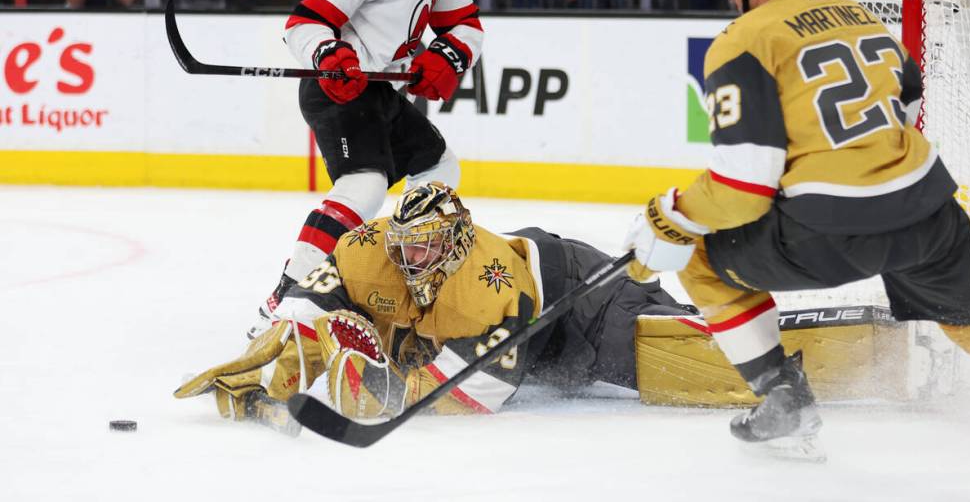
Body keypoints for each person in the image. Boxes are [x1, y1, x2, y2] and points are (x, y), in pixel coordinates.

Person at [623, 0, 970, 453]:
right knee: (968, 320)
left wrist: (670, 215)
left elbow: (745, 189)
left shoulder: (743, 38)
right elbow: (907, 102)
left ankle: (782, 397)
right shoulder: (860, 16)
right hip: (930, 212)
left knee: (701, 263)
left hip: (833, 230)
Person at [176, 182, 695, 426]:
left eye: (424, 247)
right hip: (527, 340)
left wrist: (388, 390)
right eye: (404, 245)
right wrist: (283, 356)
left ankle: (770, 342)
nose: (408, 259)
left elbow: (478, 391)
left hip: (584, 304)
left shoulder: (486, 292)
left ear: (455, 245)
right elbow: (313, 301)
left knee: (688, 358)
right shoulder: (367, 249)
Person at [253, 0, 483, 335]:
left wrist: (448, 55)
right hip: (337, 87)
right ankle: (287, 295)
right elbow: (306, 21)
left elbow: (461, 22)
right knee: (365, 188)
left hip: (383, 92)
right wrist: (331, 55)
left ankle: (403, 269)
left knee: (440, 169)